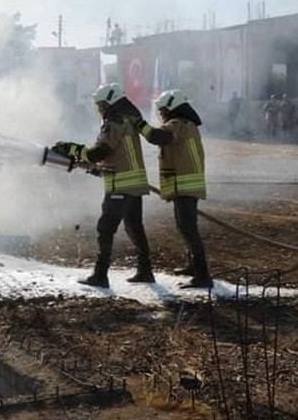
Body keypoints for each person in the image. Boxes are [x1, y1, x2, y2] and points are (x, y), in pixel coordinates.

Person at [52, 83, 155, 288]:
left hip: (120, 187)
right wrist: (89, 167)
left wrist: (69, 147)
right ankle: (145, 272)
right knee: (135, 228)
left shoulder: (113, 124)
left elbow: (96, 153)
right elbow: (116, 158)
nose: (98, 109)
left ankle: (100, 276)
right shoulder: (127, 122)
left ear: (108, 102)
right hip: (133, 185)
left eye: (100, 105)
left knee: (105, 229)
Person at [137, 89, 212, 289]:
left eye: (162, 109)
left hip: (185, 185)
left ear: (172, 107)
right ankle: (192, 266)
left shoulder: (178, 124)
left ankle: (203, 275)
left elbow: (156, 136)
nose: (161, 113)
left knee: (188, 229)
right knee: (185, 227)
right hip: (186, 185)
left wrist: (139, 124)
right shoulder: (186, 125)